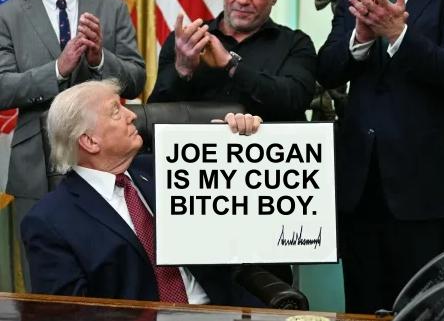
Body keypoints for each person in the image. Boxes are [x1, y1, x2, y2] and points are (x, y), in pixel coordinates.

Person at [317, 0, 444, 314]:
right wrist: (361, 38)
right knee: (362, 307)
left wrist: (399, 35)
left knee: (422, 310)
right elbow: (327, 70)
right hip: (360, 190)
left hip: (426, 192)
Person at [21, 79, 266, 304]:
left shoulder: (171, 167)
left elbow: (244, 208)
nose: (132, 116)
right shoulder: (48, 221)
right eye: (116, 111)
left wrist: (231, 146)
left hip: (221, 309)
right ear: (90, 141)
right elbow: (70, 313)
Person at [0, 0, 145, 264]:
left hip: (106, 163)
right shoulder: (7, 15)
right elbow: (2, 88)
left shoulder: (112, 8)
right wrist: (56, 70)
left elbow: (137, 79)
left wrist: (99, 59)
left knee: (109, 265)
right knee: (44, 272)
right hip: (34, 166)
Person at [149, 0, 316, 122]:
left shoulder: (295, 44)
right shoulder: (187, 41)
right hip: (197, 140)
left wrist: (231, 65)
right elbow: (155, 114)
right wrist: (182, 69)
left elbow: (296, 100)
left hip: (269, 139)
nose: (242, 0)